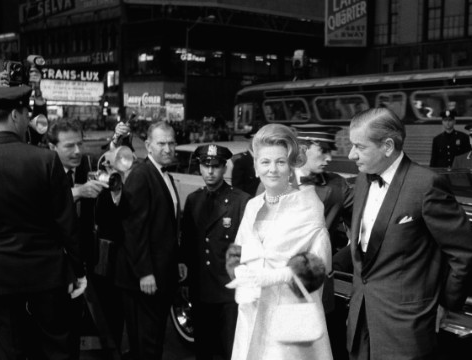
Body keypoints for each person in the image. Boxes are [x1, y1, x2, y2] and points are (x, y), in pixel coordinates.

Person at [346, 107, 472, 360]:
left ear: (387, 146)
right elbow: (366, 248)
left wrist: (446, 303)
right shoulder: (363, 180)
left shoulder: (425, 185)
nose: (351, 154)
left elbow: (466, 251)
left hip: (405, 333)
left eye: (359, 146)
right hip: (361, 326)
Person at [0, 85, 87, 359]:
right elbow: (67, 224)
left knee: (10, 349)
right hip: (48, 273)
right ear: (17, 116)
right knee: (57, 347)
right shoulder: (45, 159)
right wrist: (78, 270)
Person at [226, 123, 333, 360]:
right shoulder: (252, 206)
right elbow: (237, 250)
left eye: (280, 162)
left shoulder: (309, 205)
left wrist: (277, 276)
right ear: (255, 167)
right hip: (252, 313)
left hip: (291, 318)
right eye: (265, 162)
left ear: (290, 166)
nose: (272, 169)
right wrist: (240, 275)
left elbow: (320, 264)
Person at [115, 121, 186, 360]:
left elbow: (166, 228)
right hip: (143, 279)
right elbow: (133, 230)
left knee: (154, 341)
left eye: (171, 143)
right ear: (148, 145)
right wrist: (145, 272)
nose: (168, 148)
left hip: (162, 275)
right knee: (145, 344)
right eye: (161, 143)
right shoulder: (141, 175)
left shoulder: (163, 174)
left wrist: (177, 261)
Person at [180, 144, 250, 360]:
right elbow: (188, 245)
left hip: (228, 293)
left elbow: (248, 247)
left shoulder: (241, 201)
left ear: (224, 167)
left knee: (230, 351)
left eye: (216, 166)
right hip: (201, 290)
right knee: (203, 350)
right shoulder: (194, 200)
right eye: (205, 165)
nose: (210, 172)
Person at [46, 119, 109, 358]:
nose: (77, 151)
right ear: (52, 148)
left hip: (85, 265)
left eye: (80, 144)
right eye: (69, 146)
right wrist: (76, 192)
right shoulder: (41, 170)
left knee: (76, 333)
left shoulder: (87, 166)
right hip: (52, 271)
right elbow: (42, 207)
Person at [292, 124, 353, 360]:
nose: (329, 158)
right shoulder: (274, 180)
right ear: (303, 149)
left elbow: (364, 225)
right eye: (323, 150)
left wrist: (340, 259)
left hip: (318, 289)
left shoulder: (337, 186)